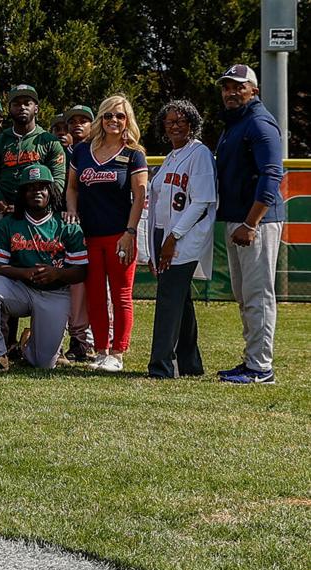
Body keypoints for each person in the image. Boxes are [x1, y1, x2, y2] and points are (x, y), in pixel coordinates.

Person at [64, 94, 147, 373]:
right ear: (101, 118)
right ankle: (101, 350)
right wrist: (72, 211)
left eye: (120, 116)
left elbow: (140, 196)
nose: (114, 121)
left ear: (128, 121)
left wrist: (130, 232)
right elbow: (72, 187)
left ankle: (118, 352)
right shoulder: (83, 151)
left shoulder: (134, 153)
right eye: (109, 115)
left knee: (121, 295)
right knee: (96, 295)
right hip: (89, 236)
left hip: (119, 235)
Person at [214, 64, 285, 385]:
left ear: (253, 90)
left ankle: (261, 368)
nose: (230, 92)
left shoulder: (259, 122)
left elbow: (272, 175)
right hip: (238, 220)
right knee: (245, 296)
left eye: (238, 86)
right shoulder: (235, 124)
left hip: (256, 221)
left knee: (258, 294)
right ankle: (251, 360)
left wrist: (252, 222)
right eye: (226, 87)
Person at [0, 165, 88, 370]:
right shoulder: (10, 223)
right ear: (22, 194)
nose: (36, 192)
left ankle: (28, 344)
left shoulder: (66, 224)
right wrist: (23, 273)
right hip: (21, 289)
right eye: (29, 188)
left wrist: (57, 273)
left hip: (55, 293)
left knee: (43, 364)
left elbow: (81, 271)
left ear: (51, 192)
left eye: (42, 187)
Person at [146, 99, 215, 379]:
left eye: (181, 121)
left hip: (182, 236)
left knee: (168, 301)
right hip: (164, 233)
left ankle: (160, 368)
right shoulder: (171, 156)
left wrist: (173, 238)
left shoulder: (199, 153)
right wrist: (155, 244)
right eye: (169, 121)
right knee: (180, 301)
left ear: (193, 123)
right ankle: (190, 365)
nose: (175, 126)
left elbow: (201, 202)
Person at [0, 85, 66, 215]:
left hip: (41, 211)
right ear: (9, 109)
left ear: (36, 108)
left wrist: (40, 205)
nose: (22, 107)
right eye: (16, 104)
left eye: (27, 103)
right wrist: (1, 204)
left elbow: (58, 180)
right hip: (5, 211)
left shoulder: (50, 141)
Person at [60, 103, 96, 363]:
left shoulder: (97, 152)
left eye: (84, 120)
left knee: (93, 286)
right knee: (69, 286)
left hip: (94, 225)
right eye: (73, 121)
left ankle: (87, 342)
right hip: (65, 226)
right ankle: (72, 340)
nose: (77, 125)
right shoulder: (59, 152)